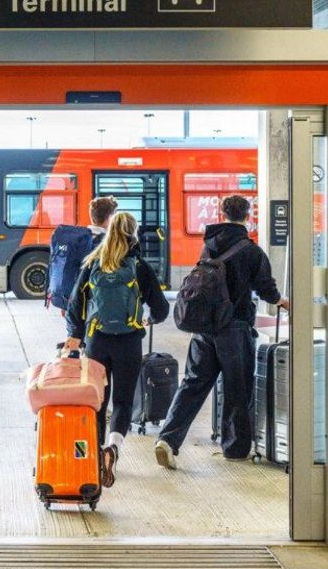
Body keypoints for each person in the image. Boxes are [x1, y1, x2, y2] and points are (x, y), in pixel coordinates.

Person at [154, 194, 290, 468]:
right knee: (237, 389)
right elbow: (266, 288)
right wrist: (281, 301)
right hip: (234, 330)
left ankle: (168, 439)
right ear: (247, 216)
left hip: (204, 331)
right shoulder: (251, 251)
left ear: (222, 212)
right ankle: (235, 449)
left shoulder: (209, 247)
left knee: (193, 384)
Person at [64, 211, 169, 487]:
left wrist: (74, 335)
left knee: (97, 400)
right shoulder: (139, 266)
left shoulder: (93, 263)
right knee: (122, 402)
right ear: (133, 234)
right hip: (128, 342)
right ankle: (113, 447)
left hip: (97, 341)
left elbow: (75, 303)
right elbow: (162, 308)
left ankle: (93, 457)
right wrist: (148, 319)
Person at [47, 195, 118, 311]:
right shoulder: (107, 242)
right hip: (92, 304)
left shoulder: (77, 239)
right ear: (110, 218)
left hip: (68, 299)